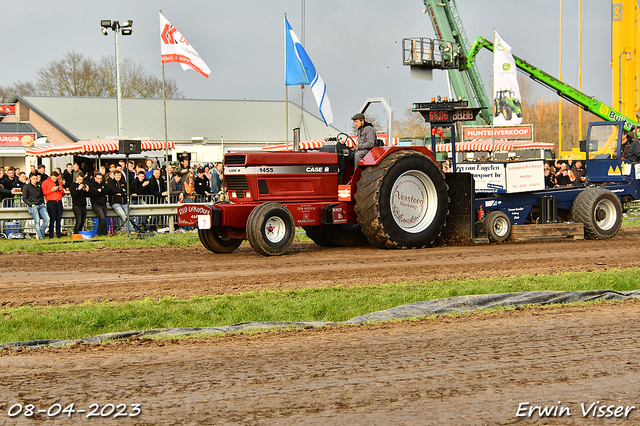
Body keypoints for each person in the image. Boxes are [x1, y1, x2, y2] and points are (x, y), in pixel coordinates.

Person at [22, 172, 50, 240]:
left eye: (36, 179)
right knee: (37, 221)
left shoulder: (39, 186)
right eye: (34, 178)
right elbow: (24, 198)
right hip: (33, 205)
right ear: (30, 179)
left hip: (40, 204)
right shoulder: (26, 187)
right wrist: (31, 204)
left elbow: (41, 195)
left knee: (47, 219)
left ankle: (41, 234)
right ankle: (40, 236)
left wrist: (43, 202)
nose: (35, 180)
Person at [106, 170, 134, 234]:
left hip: (124, 202)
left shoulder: (124, 182)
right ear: (114, 176)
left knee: (127, 216)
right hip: (115, 202)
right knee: (123, 215)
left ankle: (131, 230)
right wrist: (122, 190)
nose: (118, 177)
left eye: (119, 175)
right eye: (117, 175)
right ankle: (129, 231)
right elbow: (114, 190)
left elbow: (127, 192)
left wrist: (121, 193)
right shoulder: (110, 182)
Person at [41, 171, 65, 238]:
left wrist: (60, 190)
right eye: (54, 178)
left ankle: (58, 234)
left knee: (58, 219)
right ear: (51, 176)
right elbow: (43, 192)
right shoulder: (45, 182)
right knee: (52, 219)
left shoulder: (59, 182)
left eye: (56, 178)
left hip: (59, 201)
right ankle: (51, 235)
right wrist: (51, 190)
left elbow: (63, 193)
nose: (55, 180)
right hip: (51, 202)